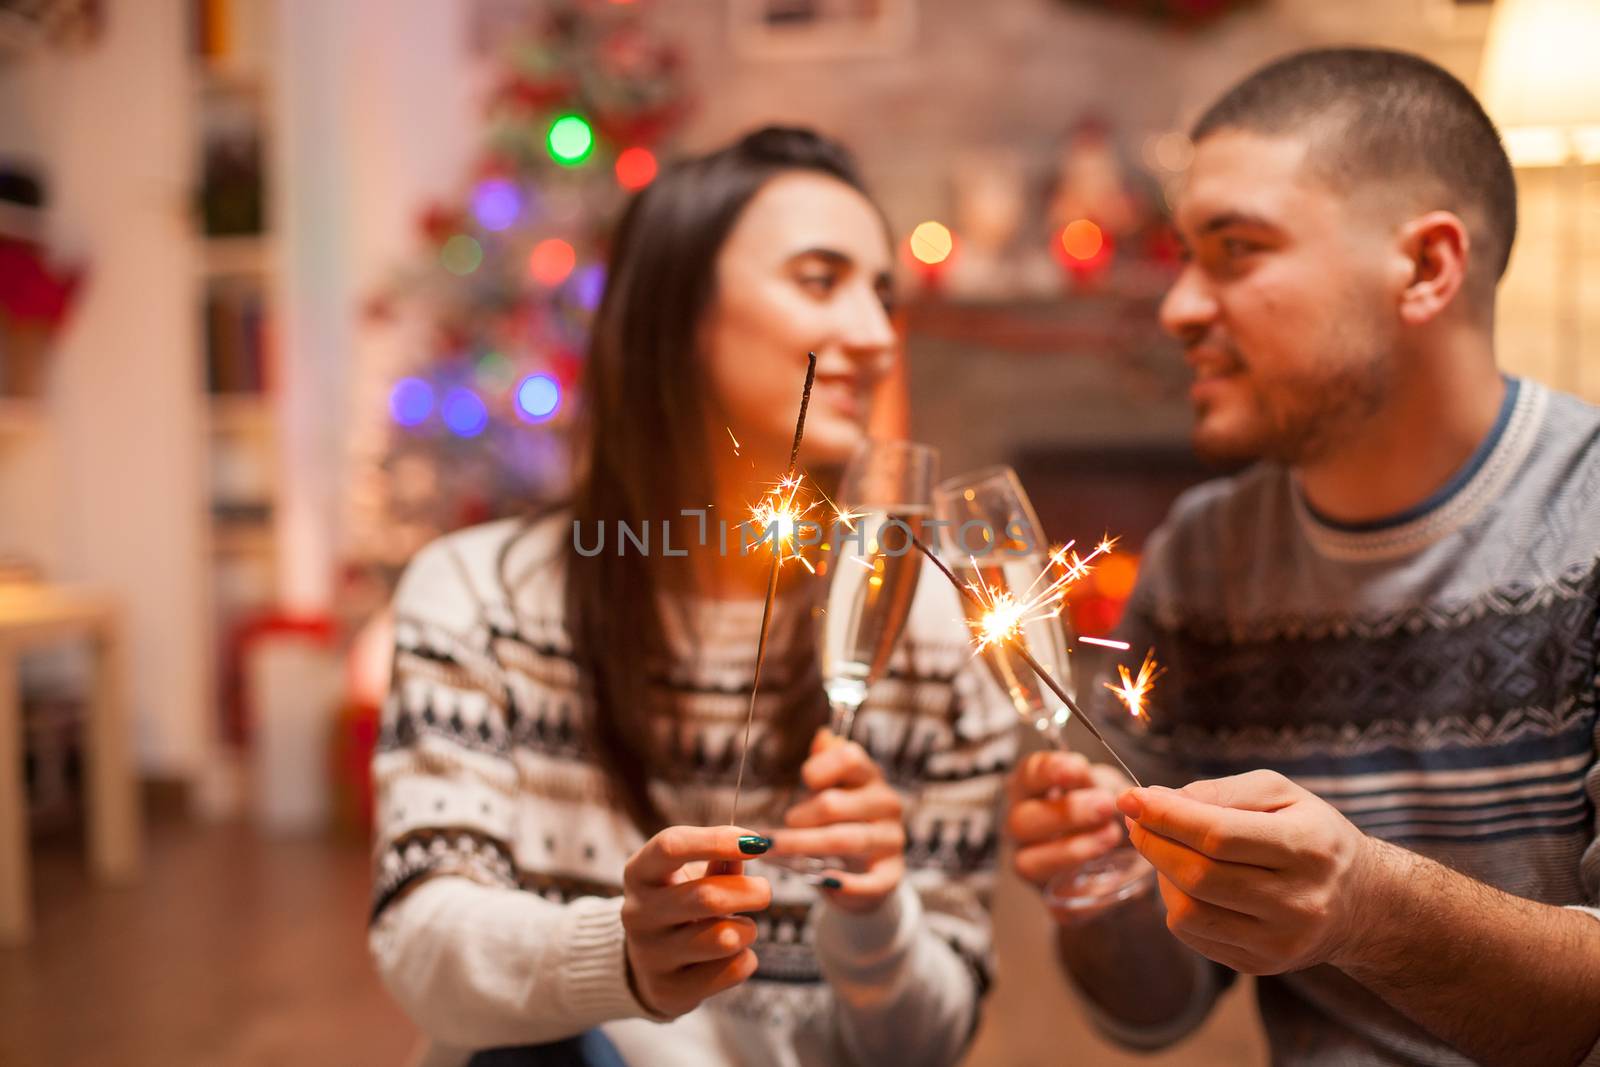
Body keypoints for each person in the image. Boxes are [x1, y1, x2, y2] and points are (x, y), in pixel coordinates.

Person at [367, 127, 1013, 1067]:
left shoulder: (936, 625)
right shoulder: (479, 594)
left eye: (883, 295)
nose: (877, 337)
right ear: (675, 314)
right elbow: (423, 944)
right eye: (819, 279)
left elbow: (930, 1042)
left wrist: (875, 917)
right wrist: (622, 956)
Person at [1006, 47, 1600, 1066]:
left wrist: (1366, 903)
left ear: (1424, 267)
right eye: (1185, 254)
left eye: (1235, 249)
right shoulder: (1203, 554)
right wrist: (1092, 886)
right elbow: (1159, 1006)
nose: (1178, 306)